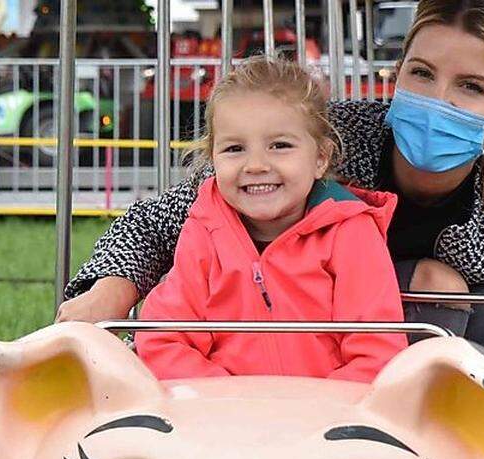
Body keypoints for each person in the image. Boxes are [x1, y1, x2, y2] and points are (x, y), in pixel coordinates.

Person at [60, 0, 484, 401]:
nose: (437, 99)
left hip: (422, 362)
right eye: (422, 74)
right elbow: (176, 212)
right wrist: (110, 287)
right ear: (396, 78)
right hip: (304, 351)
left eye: (470, 86)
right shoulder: (331, 140)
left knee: (465, 294)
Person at [135, 56, 406, 382]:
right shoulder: (205, 230)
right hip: (220, 418)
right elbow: (164, 338)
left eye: (279, 145)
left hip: (327, 419)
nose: (256, 165)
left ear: (320, 158)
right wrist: (229, 400)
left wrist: (318, 414)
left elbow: (378, 352)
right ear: (213, 159)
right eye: (235, 149)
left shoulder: (351, 232)